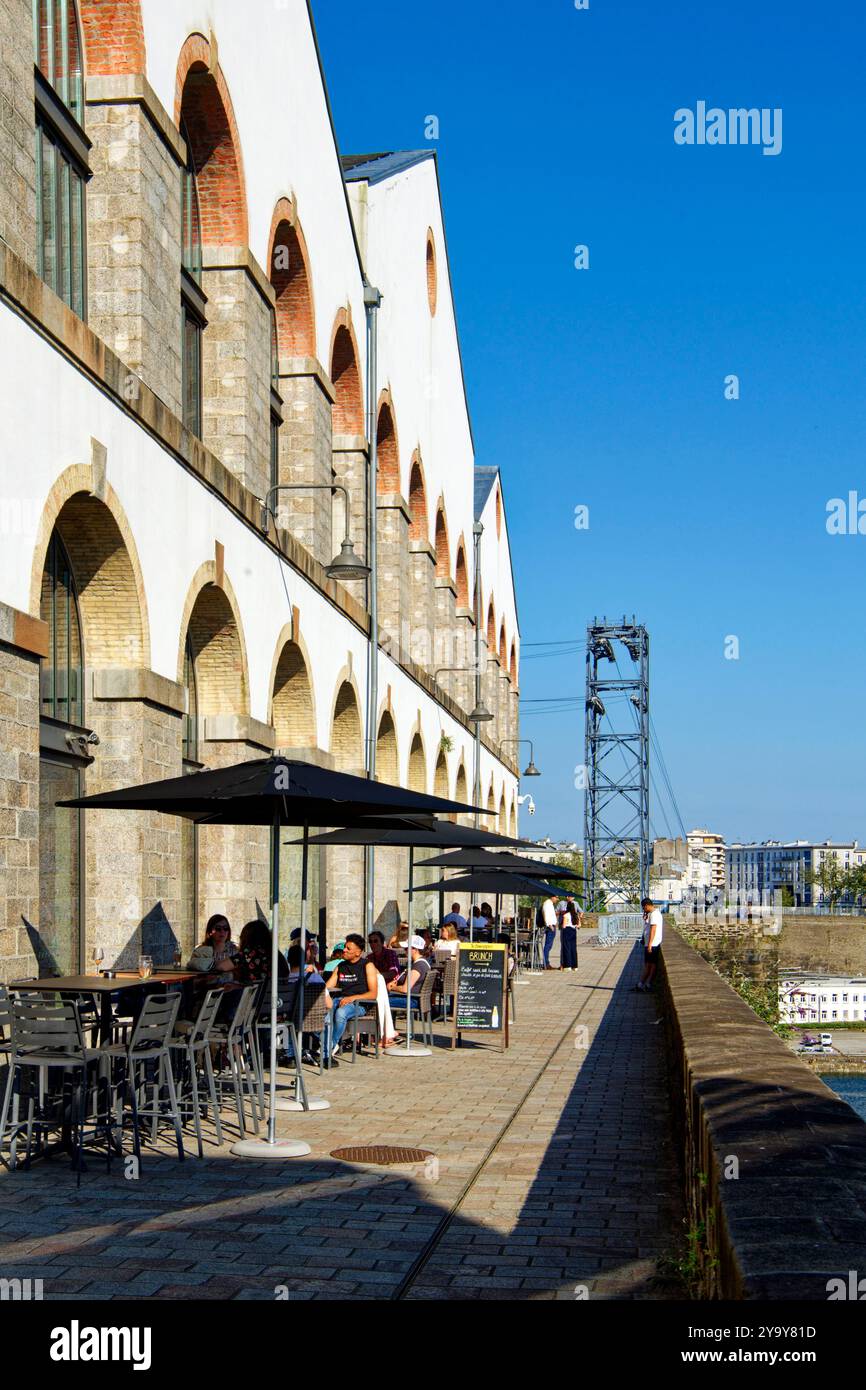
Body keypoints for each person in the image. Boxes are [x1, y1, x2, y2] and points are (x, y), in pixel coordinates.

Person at [323, 933, 379, 1058]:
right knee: (324, 1011)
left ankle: (330, 1045)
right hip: (340, 999)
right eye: (345, 947)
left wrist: (352, 998)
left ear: (358, 952)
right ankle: (323, 1043)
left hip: (359, 1004)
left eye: (348, 948)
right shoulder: (341, 966)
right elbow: (328, 986)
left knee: (341, 1013)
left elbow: (373, 994)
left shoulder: (367, 965)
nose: (344, 950)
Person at [637, 898, 663, 992]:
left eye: (643, 908)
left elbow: (653, 929)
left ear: (647, 905)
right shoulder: (651, 914)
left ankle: (645, 984)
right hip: (650, 943)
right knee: (649, 964)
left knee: (650, 965)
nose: (643, 910)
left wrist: (650, 944)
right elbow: (648, 927)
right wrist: (645, 918)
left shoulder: (655, 914)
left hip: (653, 944)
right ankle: (643, 984)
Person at [541, 894, 559, 970]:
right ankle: (546, 963)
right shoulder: (547, 904)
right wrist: (550, 925)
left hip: (552, 926)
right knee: (548, 945)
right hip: (550, 927)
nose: (557, 899)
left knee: (549, 945)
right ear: (552, 897)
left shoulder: (550, 904)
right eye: (556, 898)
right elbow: (546, 915)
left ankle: (546, 962)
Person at [560, 899, 579, 972]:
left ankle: (568, 965)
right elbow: (578, 925)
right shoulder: (575, 915)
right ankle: (575, 966)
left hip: (567, 931)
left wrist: (561, 925)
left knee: (567, 948)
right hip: (573, 931)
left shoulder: (566, 915)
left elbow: (564, 925)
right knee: (573, 948)